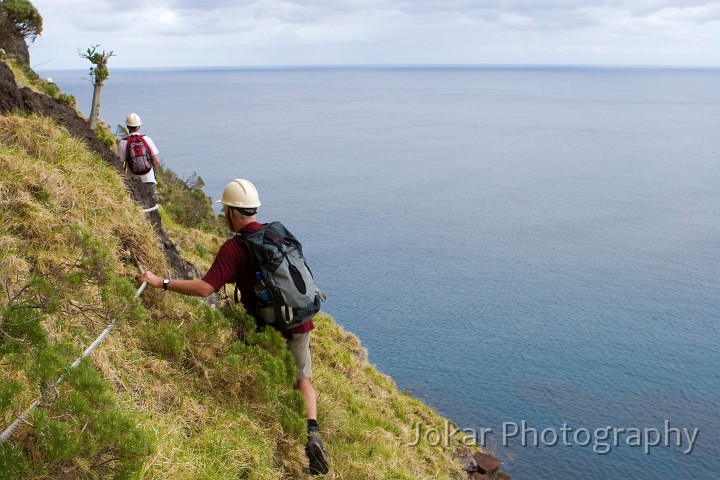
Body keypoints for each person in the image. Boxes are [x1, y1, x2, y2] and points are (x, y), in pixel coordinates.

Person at [139, 179, 329, 475]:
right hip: (299, 319)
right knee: (302, 380)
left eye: (224, 210)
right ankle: (312, 432)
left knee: (262, 373)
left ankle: (266, 428)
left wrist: (161, 282)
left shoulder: (235, 248)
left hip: (265, 326)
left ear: (230, 212)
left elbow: (205, 288)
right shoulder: (275, 233)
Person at [117, 113, 161, 211]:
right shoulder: (147, 139)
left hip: (133, 180)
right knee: (152, 208)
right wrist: (153, 173)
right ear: (139, 126)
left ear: (127, 126)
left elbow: (119, 163)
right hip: (149, 179)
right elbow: (156, 162)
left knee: (138, 209)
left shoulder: (123, 142)